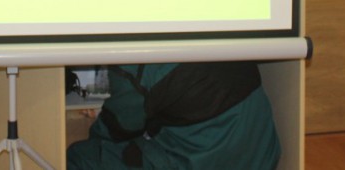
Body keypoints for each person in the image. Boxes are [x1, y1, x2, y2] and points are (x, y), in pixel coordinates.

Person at [66, 62, 281, 170]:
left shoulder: (133, 62)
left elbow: (115, 128)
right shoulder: (216, 20)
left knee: (82, 156)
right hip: (263, 157)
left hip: (204, 161)